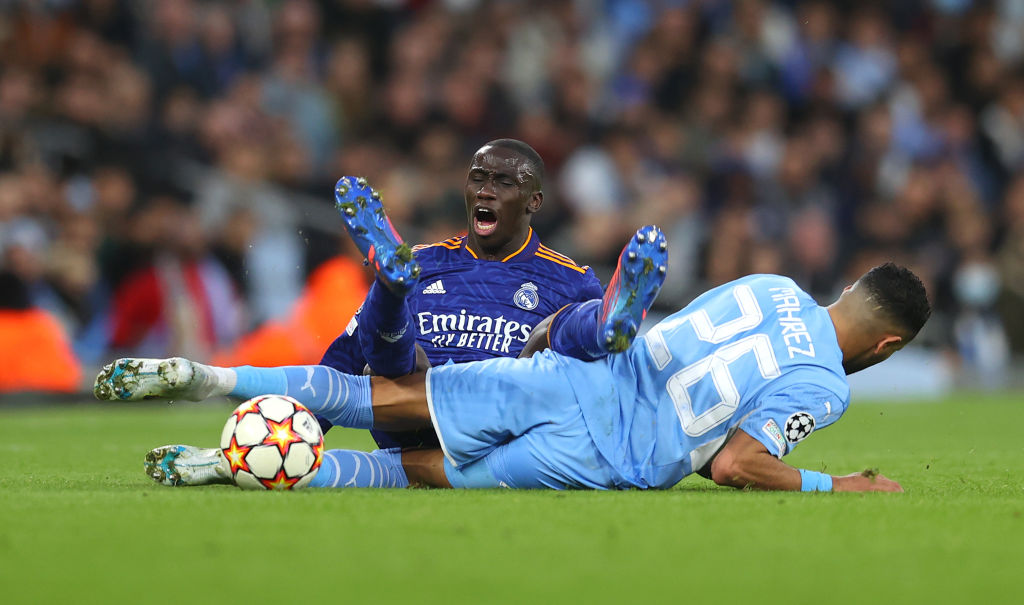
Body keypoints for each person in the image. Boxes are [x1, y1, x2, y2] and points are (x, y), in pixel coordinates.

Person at [99, 138, 669, 486]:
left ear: (535, 202)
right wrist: (294, 430)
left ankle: (607, 322)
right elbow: (343, 361)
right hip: (412, 416)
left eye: (503, 182)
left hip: (503, 423)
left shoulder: (567, 275)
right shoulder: (427, 260)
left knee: (552, 337)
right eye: (478, 179)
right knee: (398, 356)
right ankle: (388, 287)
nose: (485, 191)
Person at [96, 262, 929, 492]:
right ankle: (245, 465)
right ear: (885, 346)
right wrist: (832, 484)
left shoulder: (774, 286)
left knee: (379, 398)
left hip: (582, 373)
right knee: (410, 472)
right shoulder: (826, 381)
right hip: (611, 454)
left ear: (845, 287)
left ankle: (209, 376)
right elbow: (736, 462)